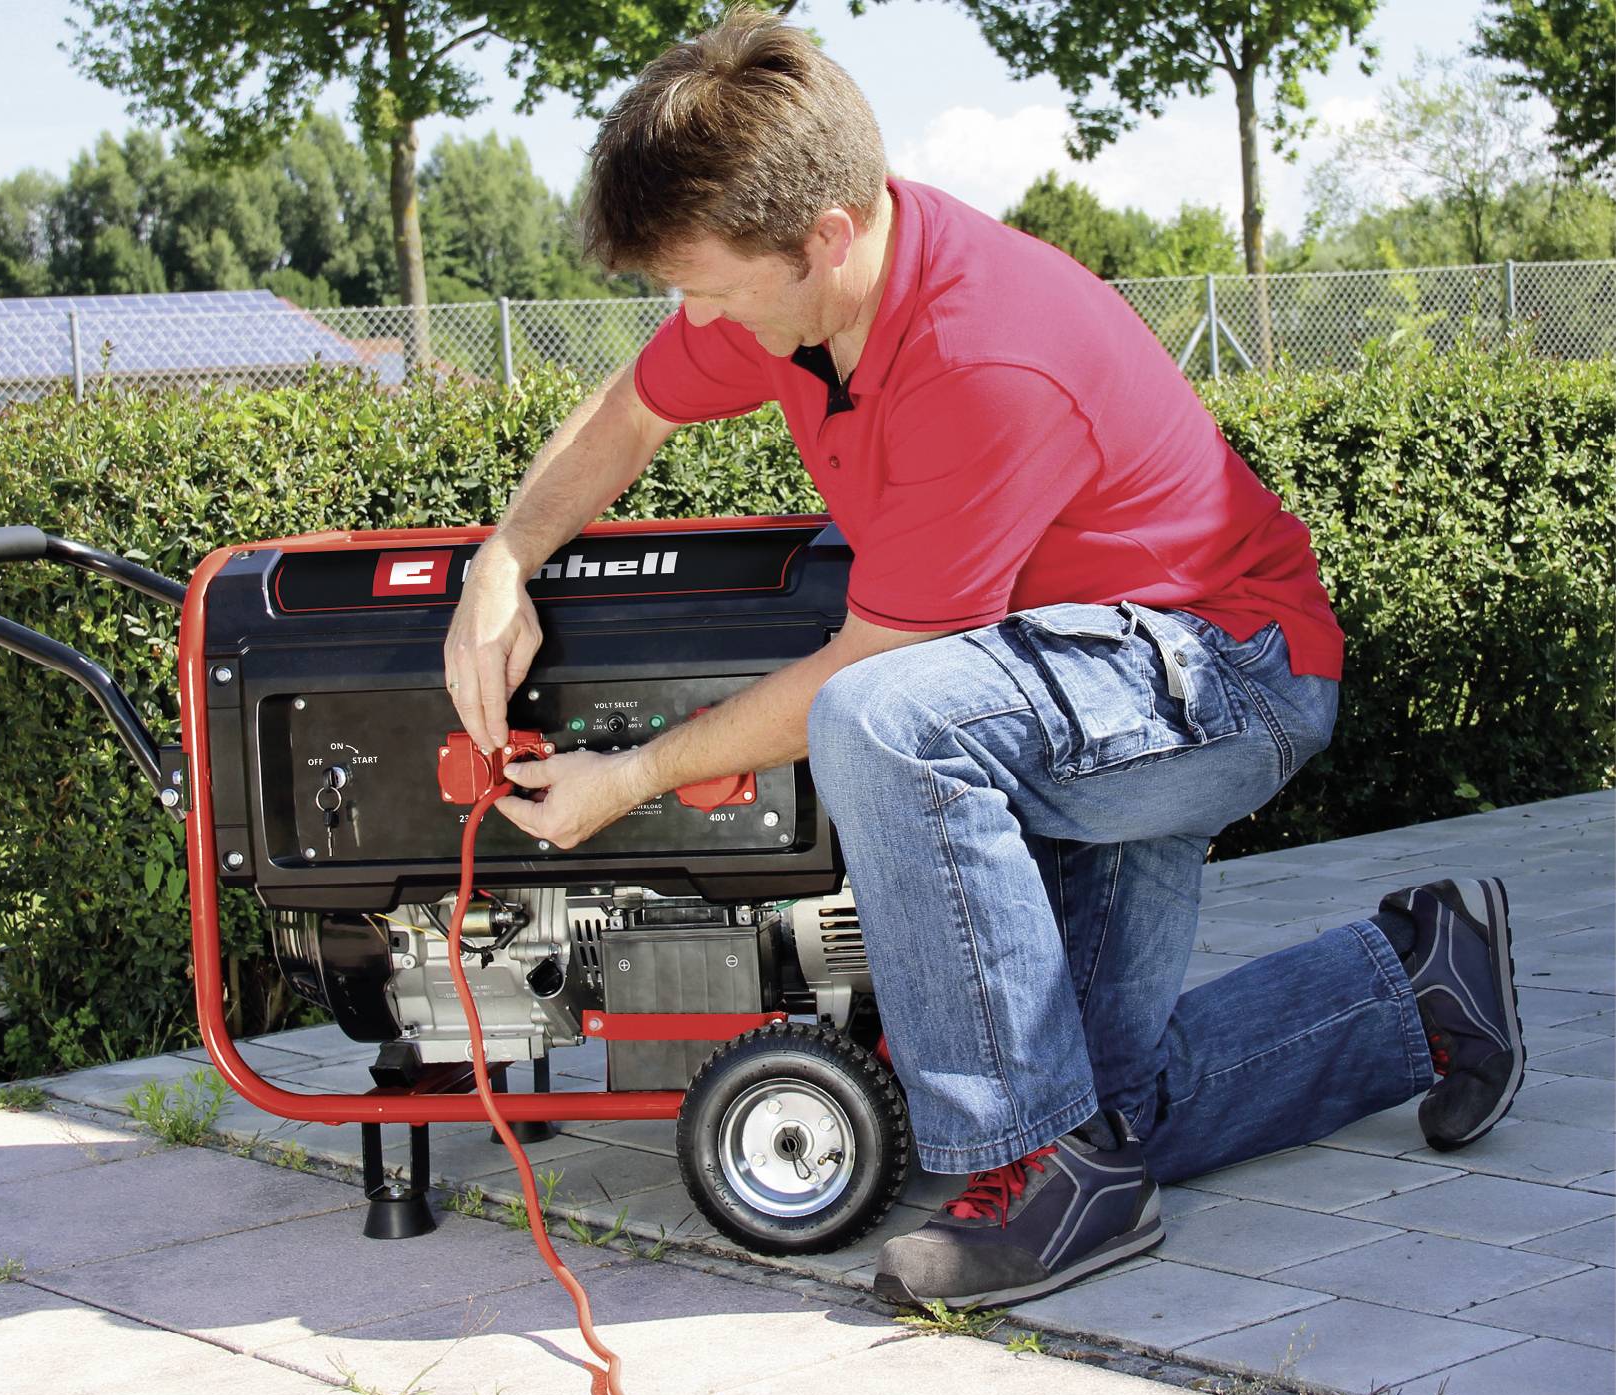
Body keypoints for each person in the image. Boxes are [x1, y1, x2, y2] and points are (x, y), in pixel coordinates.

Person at [441, 12, 1526, 1308]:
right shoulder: (788, 293)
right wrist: (500, 563)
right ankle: (1417, 981)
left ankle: (1043, 1169)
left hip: (1224, 679)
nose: (699, 319)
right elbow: (631, 409)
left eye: (714, 287)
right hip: (1079, 680)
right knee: (1117, 1102)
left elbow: (877, 679)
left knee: (886, 725)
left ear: (824, 238)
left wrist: (631, 778)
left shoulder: (977, 352)